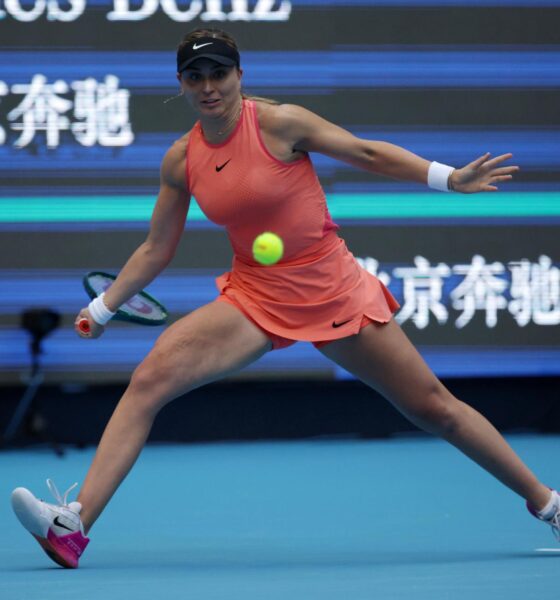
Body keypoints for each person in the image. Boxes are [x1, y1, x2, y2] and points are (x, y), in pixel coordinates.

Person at [11, 28, 559, 569]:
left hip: (331, 288)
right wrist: (103, 307)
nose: (209, 87)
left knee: (435, 410)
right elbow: (157, 247)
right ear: (180, 84)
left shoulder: (280, 123)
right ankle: (74, 525)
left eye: (219, 73)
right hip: (255, 295)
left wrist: (447, 178)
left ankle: (548, 503)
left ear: (239, 75)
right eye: (195, 77)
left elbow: (365, 152)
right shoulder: (182, 160)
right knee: (150, 380)